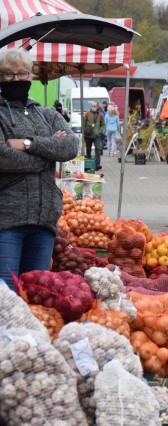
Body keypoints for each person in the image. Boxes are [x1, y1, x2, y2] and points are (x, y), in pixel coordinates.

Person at [0, 48, 78, 290]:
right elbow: (3, 157)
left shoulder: (46, 114)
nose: (17, 80)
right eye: (9, 75)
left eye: (22, 74)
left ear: (31, 76)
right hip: (7, 222)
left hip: (44, 221)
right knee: (6, 296)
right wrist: (47, 156)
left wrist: (28, 144)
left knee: (37, 295)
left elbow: (71, 145)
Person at [83, 101, 105, 170]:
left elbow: (103, 125)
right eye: (92, 106)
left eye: (95, 106)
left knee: (98, 149)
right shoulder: (87, 114)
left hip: (96, 135)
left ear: (97, 106)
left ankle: (97, 164)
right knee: (88, 149)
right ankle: (88, 163)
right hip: (88, 135)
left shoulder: (100, 115)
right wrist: (84, 132)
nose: (93, 107)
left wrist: (99, 131)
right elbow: (84, 124)